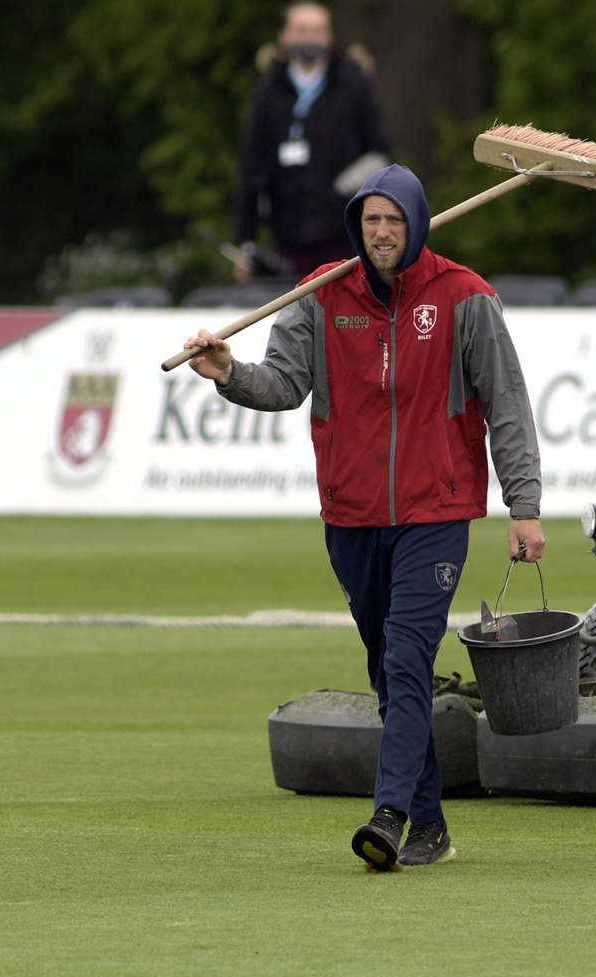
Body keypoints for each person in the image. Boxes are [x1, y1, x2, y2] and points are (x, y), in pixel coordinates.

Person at [186, 164, 545, 872]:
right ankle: (433, 825)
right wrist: (229, 373)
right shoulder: (321, 294)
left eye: (394, 220)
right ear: (359, 226)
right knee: (389, 673)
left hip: (436, 510)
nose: (382, 233)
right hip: (349, 513)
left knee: (409, 657)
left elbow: (507, 405)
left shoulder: (465, 297)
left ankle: (389, 813)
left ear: (416, 223)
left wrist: (524, 507)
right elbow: (284, 386)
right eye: (371, 220)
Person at [232, 2, 391, 280]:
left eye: (317, 31)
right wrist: (246, 241)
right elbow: (251, 167)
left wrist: (342, 192)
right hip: (285, 241)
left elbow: (380, 153)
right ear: (284, 36)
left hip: (344, 237)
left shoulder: (353, 84)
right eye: (301, 30)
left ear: (328, 37)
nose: (309, 39)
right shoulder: (268, 91)